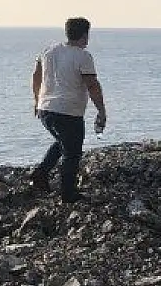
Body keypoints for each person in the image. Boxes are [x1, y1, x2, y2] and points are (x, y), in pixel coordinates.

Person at [30, 17, 107, 203]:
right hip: (68, 112)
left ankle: (40, 173)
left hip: (45, 109)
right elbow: (92, 85)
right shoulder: (83, 56)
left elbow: (36, 75)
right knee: (72, 153)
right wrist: (101, 111)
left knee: (62, 142)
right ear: (85, 35)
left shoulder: (48, 50)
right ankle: (68, 193)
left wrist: (36, 100)